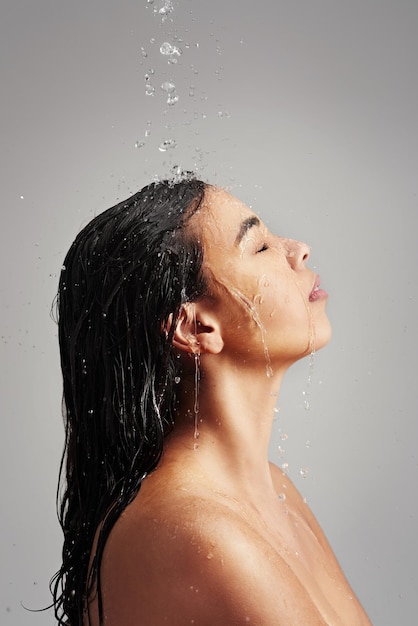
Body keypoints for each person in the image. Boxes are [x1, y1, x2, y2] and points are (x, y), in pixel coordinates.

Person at [52, 175, 372, 625]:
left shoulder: (273, 490)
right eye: (259, 247)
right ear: (197, 328)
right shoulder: (192, 526)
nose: (297, 249)